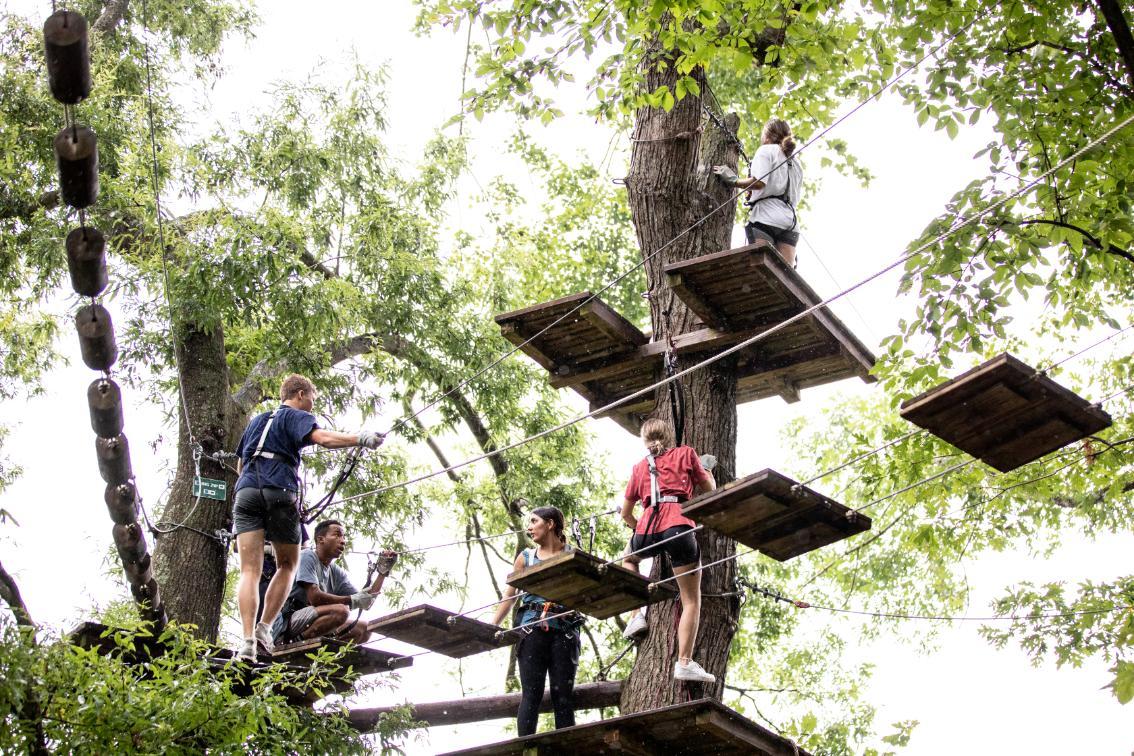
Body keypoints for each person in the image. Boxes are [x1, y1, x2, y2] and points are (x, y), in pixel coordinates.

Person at [232, 373, 384, 662]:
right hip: (280, 490)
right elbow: (322, 439)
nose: (312, 405)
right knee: (289, 563)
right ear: (300, 394)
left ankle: (247, 639)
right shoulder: (293, 415)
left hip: (246, 491)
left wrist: (253, 495)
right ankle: (265, 629)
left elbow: (241, 463)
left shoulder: (257, 421)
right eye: (312, 398)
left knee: (248, 571)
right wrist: (360, 439)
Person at [620, 418, 716, 683]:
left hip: (646, 530)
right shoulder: (686, 453)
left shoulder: (640, 467)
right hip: (679, 527)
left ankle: (637, 615)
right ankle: (684, 662)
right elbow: (710, 491)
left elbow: (627, 514)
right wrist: (707, 472)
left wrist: (639, 529)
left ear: (644, 440)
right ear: (669, 436)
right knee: (691, 600)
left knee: (628, 559)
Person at [492, 505, 582, 737]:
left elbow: (583, 593)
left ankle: (567, 748)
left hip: (564, 629)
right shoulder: (526, 558)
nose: (529, 528)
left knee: (563, 695)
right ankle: (527, 747)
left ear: (550, 524)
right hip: (532, 629)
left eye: (534, 522)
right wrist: (493, 626)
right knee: (531, 693)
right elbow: (509, 595)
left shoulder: (573, 553)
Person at [273, 519, 397, 645]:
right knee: (341, 611)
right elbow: (314, 597)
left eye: (344, 537)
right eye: (337, 535)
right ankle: (293, 643)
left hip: (313, 621)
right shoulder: (307, 556)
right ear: (321, 539)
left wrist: (382, 573)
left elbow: (366, 601)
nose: (343, 541)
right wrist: (352, 599)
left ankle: (325, 653)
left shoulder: (335, 571)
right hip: (289, 622)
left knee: (364, 629)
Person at [712, 118, 803, 267]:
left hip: (766, 217)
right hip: (790, 222)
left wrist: (733, 180)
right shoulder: (796, 162)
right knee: (785, 274)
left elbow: (759, 182)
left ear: (767, 136)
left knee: (761, 268)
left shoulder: (766, 150)